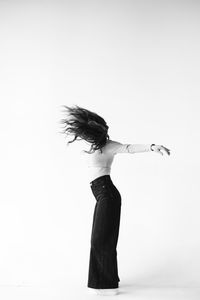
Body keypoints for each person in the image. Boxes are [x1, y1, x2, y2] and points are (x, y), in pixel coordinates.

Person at [59, 105, 171, 296]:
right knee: (102, 239)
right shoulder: (93, 145)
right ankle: (107, 282)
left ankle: (105, 286)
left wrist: (152, 147)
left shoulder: (109, 146)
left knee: (100, 240)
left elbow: (128, 148)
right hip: (101, 195)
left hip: (107, 194)